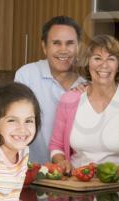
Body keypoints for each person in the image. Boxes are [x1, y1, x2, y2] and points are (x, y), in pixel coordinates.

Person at [49, 34, 119, 184]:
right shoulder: (69, 99)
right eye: (97, 58)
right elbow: (56, 145)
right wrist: (62, 161)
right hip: (78, 184)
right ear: (87, 63)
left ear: (118, 65)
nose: (104, 65)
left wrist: (115, 173)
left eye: (111, 59)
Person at [15, 16, 86, 164]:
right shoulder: (27, 75)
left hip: (74, 175)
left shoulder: (86, 86)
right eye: (56, 43)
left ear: (78, 46)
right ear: (44, 46)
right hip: (32, 170)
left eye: (70, 43)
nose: (63, 50)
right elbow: (14, 124)